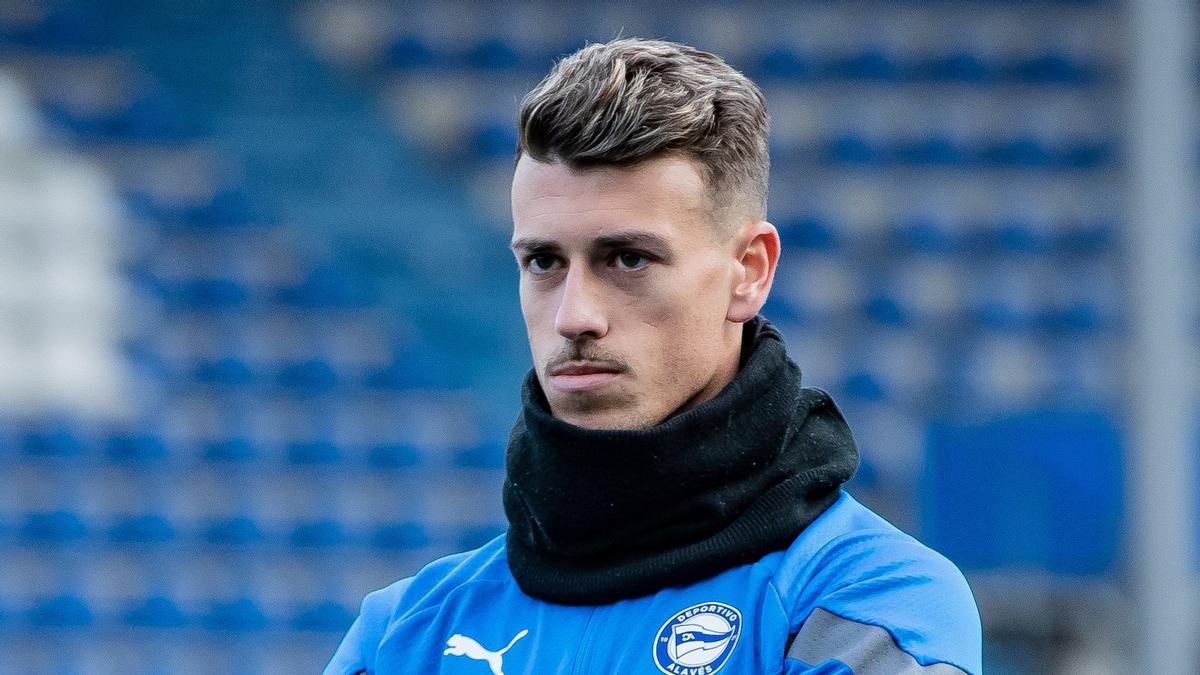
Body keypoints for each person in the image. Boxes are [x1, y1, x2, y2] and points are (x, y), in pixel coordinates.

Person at [325, 37, 981, 674]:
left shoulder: (865, 607)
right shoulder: (406, 632)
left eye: (629, 259)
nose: (575, 314)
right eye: (544, 262)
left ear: (749, 271)